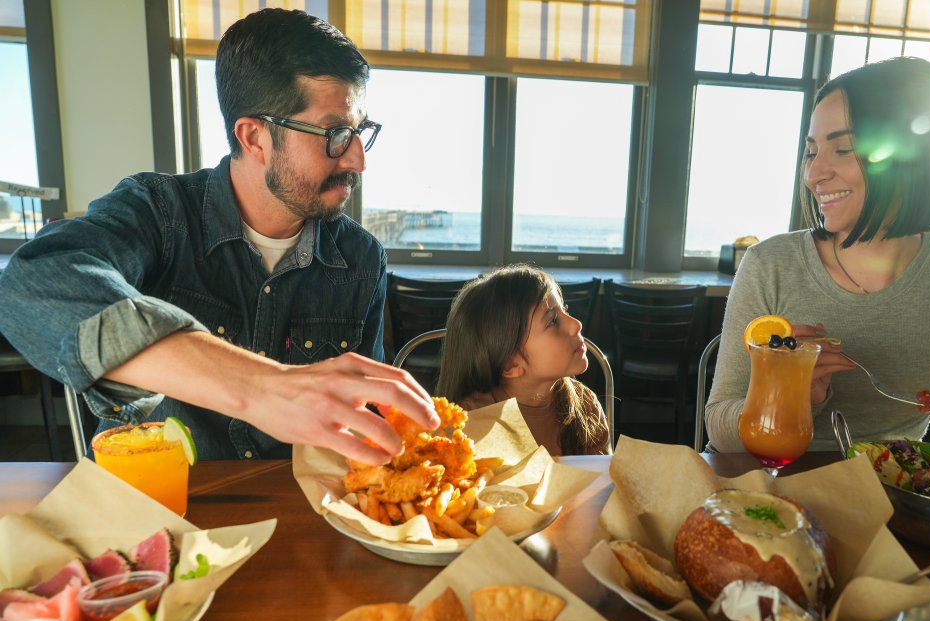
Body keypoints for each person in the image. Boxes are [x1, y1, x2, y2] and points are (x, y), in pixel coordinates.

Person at [0, 8, 438, 462]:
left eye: (360, 131)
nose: (356, 160)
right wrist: (261, 388)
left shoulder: (361, 258)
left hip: (300, 511)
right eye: (335, 134)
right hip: (160, 507)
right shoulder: (159, 212)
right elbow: (35, 281)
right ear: (253, 138)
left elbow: (366, 418)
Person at [705, 56, 930, 453]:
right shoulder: (770, 265)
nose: (813, 174)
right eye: (811, 151)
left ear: (913, 156)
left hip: (892, 498)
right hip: (770, 490)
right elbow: (719, 430)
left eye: (842, 149)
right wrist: (784, 396)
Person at [436, 265, 611, 456]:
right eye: (552, 321)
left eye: (564, 309)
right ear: (511, 365)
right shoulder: (471, 423)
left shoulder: (585, 404)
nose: (576, 324)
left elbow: (604, 480)